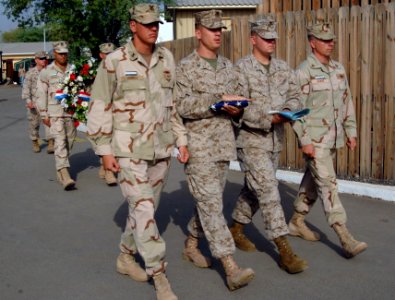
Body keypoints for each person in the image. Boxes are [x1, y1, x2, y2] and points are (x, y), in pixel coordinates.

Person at [87, 4, 188, 300]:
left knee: (146, 209)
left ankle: (125, 256)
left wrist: (181, 139)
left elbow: (174, 104)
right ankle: (159, 276)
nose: (152, 28)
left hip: (160, 147)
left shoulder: (166, 57)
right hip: (127, 150)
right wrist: (104, 151)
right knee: (143, 208)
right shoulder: (115, 61)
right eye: (146, 24)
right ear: (133, 26)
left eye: (156, 23)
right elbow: (99, 104)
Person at [175, 9, 255, 291]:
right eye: (211, 29)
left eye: (220, 29)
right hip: (198, 148)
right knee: (210, 203)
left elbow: (240, 105)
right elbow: (181, 106)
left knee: (210, 204)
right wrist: (215, 101)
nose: (217, 33)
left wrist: (235, 109)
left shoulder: (228, 68)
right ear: (198, 33)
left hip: (223, 146)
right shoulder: (185, 67)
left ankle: (191, 243)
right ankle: (230, 266)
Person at [228, 16, 307, 274]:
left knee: (255, 190)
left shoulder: (284, 68)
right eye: (266, 38)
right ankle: (284, 250)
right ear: (253, 39)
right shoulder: (241, 70)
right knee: (269, 191)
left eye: (274, 38)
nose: (271, 42)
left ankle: (236, 229)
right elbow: (237, 106)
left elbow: (295, 96)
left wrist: (287, 110)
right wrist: (267, 118)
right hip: (250, 140)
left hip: (275, 141)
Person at [290, 23, 367, 258]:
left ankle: (296, 221)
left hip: (333, 139)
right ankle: (345, 236)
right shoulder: (304, 71)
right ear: (312, 42)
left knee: (314, 182)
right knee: (328, 183)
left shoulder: (338, 69)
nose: (330, 43)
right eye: (324, 40)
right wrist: (305, 140)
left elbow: (347, 102)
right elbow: (295, 110)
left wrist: (351, 131)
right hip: (315, 140)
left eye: (331, 39)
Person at [36, 41, 76, 190]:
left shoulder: (73, 69)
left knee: (69, 141)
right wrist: (43, 114)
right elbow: (41, 93)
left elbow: (79, 90)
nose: (63, 56)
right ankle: (64, 175)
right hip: (55, 113)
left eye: (65, 53)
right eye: (60, 53)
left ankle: (61, 166)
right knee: (59, 142)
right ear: (54, 54)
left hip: (70, 113)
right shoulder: (47, 71)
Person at [21, 51, 54, 153]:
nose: (44, 60)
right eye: (41, 58)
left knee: (49, 123)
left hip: (48, 102)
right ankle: (35, 141)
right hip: (34, 103)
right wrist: (28, 100)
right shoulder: (31, 72)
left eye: (45, 58)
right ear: (36, 60)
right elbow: (26, 87)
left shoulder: (50, 71)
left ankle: (50, 142)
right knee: (34, 123)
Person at [95, 42, 117, 186]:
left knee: (114, 138)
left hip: (117, 109)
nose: (109, 56)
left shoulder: (119, 66)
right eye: (107, 54)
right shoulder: (99, 70)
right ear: (101, 55)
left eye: (112, 53)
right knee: (105, 138)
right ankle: (109, 170)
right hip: (103, 109)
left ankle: (106, 166)